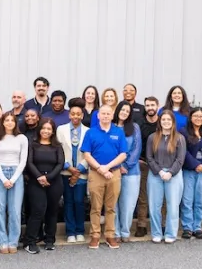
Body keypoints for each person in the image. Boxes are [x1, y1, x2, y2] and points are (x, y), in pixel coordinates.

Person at [81, 104, 127, 249]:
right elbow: (86, 154)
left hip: (114, 174)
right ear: (98, 116)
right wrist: (100, 168)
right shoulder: (91, 132)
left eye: (108, 113)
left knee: (111, 207)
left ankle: (109, 235)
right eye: (103, 113)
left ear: (112, 115)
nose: (106, 116)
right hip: (96, 173)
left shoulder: (118, 132)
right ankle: (95, 236)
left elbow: (123, 154)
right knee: (95, 206)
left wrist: (107, 167)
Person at [146, 110, 186, 244]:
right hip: (156, 174)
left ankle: (170, 233)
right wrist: (160, 172)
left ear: (173, 122)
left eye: (169, 120)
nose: (166, 122)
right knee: (154, 206)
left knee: (173, 206)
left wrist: (170, 172)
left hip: (174, 175)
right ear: (160, 121)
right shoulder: (153, 137)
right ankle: (156, 233)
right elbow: (149, 158)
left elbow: (180, 159)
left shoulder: (179, 138)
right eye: (163, 119)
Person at [24, 119, 64, 253]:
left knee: (52, 211)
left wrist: (48, 177)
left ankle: (49, 240)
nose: (46, 131)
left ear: (53, 131)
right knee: (38, 210)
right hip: (36, 182)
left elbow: (60, 164)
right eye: (44, 128)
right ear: (39, 129)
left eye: (49, 129)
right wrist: (39, 177)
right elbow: (29, 163)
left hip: (54, 181)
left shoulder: (57, 146)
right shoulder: (32, 145)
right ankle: (30, 241)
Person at [0, 113, 28, 254]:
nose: (9, 123)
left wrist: (12, 179)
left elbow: (23, 160)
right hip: (0, 173)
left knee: (15, 209)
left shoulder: (22, 138)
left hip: (16, 174)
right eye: (6, 120)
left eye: (11, 120)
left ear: (15, 122)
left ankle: (13, 241)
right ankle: (2, 241)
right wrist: (3, 178)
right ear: (2, 122)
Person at [181, 107, 202, 239]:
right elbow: (183, 151)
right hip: (189, 170)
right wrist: (195, 164)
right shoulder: (184, 132)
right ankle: (187, 227)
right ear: (190, 117)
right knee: (187, 199)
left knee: (200, 200)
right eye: (195, 116)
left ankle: (197, 226)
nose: (198, 118)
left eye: (201, 116)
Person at [57, 99, 89, 242]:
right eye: (73, 114)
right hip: (66, 171)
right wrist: (68, 167)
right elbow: (58, 151)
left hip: (82, 172)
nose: (75, 116)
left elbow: (90, 152)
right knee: (68, 201)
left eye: (78, 114)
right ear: (69, 115)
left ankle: (80, 230)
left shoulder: (88, 131)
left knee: (79, 201)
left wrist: (80, 169)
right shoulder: (61, 129)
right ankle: (70, 232)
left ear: (82, 116)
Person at [114, 101, 142, 242]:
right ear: (117, 110)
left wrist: (125, 165)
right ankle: (115, 233)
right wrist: (117, 166)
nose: (124, 112)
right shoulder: (110, 127)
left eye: (127, 110)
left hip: (131, 172)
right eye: (122, 110)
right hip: (112, 171)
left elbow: (136, 149)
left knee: (128, 204)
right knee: (113, 204)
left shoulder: (135, 127)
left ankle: (125, 232)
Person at [136, 97, 160, 237]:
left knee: (160, 197)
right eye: (147, 105)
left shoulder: (162, 122)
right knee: (143, 196)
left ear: (157, 106)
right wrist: (138, 159)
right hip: (144, 163)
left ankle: (161, 224)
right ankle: (141, 225)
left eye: (152, 105)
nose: (150, 107)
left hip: (160, 164)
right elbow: (137, 143)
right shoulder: (140, 123)